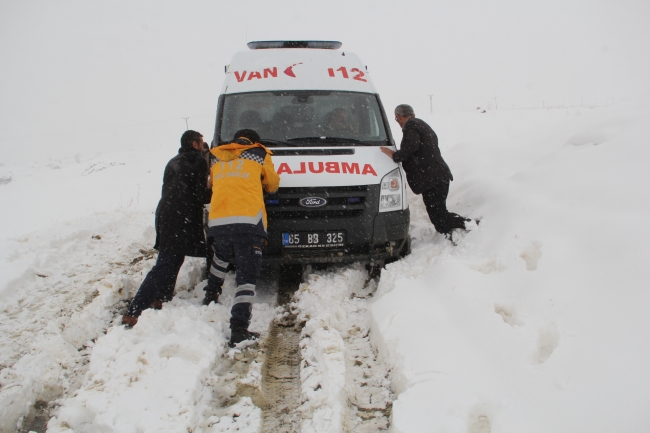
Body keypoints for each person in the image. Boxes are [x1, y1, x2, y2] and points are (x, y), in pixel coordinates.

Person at [122, 130, 211, 327]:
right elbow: (198, 194)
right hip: (180, 216)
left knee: (174, 257)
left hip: (166, 213)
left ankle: (161, 298)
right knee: (166, 262)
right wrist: (216, 193)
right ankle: (135, 310)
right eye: (202, 143)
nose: (203, 146)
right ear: (195, 144)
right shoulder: (197, 162)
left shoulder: (174, 161)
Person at [203, 128, 280, 347]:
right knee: (246, 276)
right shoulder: (258, 153)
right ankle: (238, 328)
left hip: (219, 221)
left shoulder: (217, 155)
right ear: (254, 141)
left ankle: (210, 295)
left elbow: (212, 183)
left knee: (221, 258)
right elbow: (273, 185)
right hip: (248, 221)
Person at [380, 104, 469, 239]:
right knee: (439, 215)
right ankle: (454, 233)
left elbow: (411, 147)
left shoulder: (411, 126)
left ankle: (469, 225)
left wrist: (394, 155)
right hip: (438, 177)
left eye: (396, 119)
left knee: (439, 217)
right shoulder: (422, 125)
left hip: (433, 179)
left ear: (398, 117)